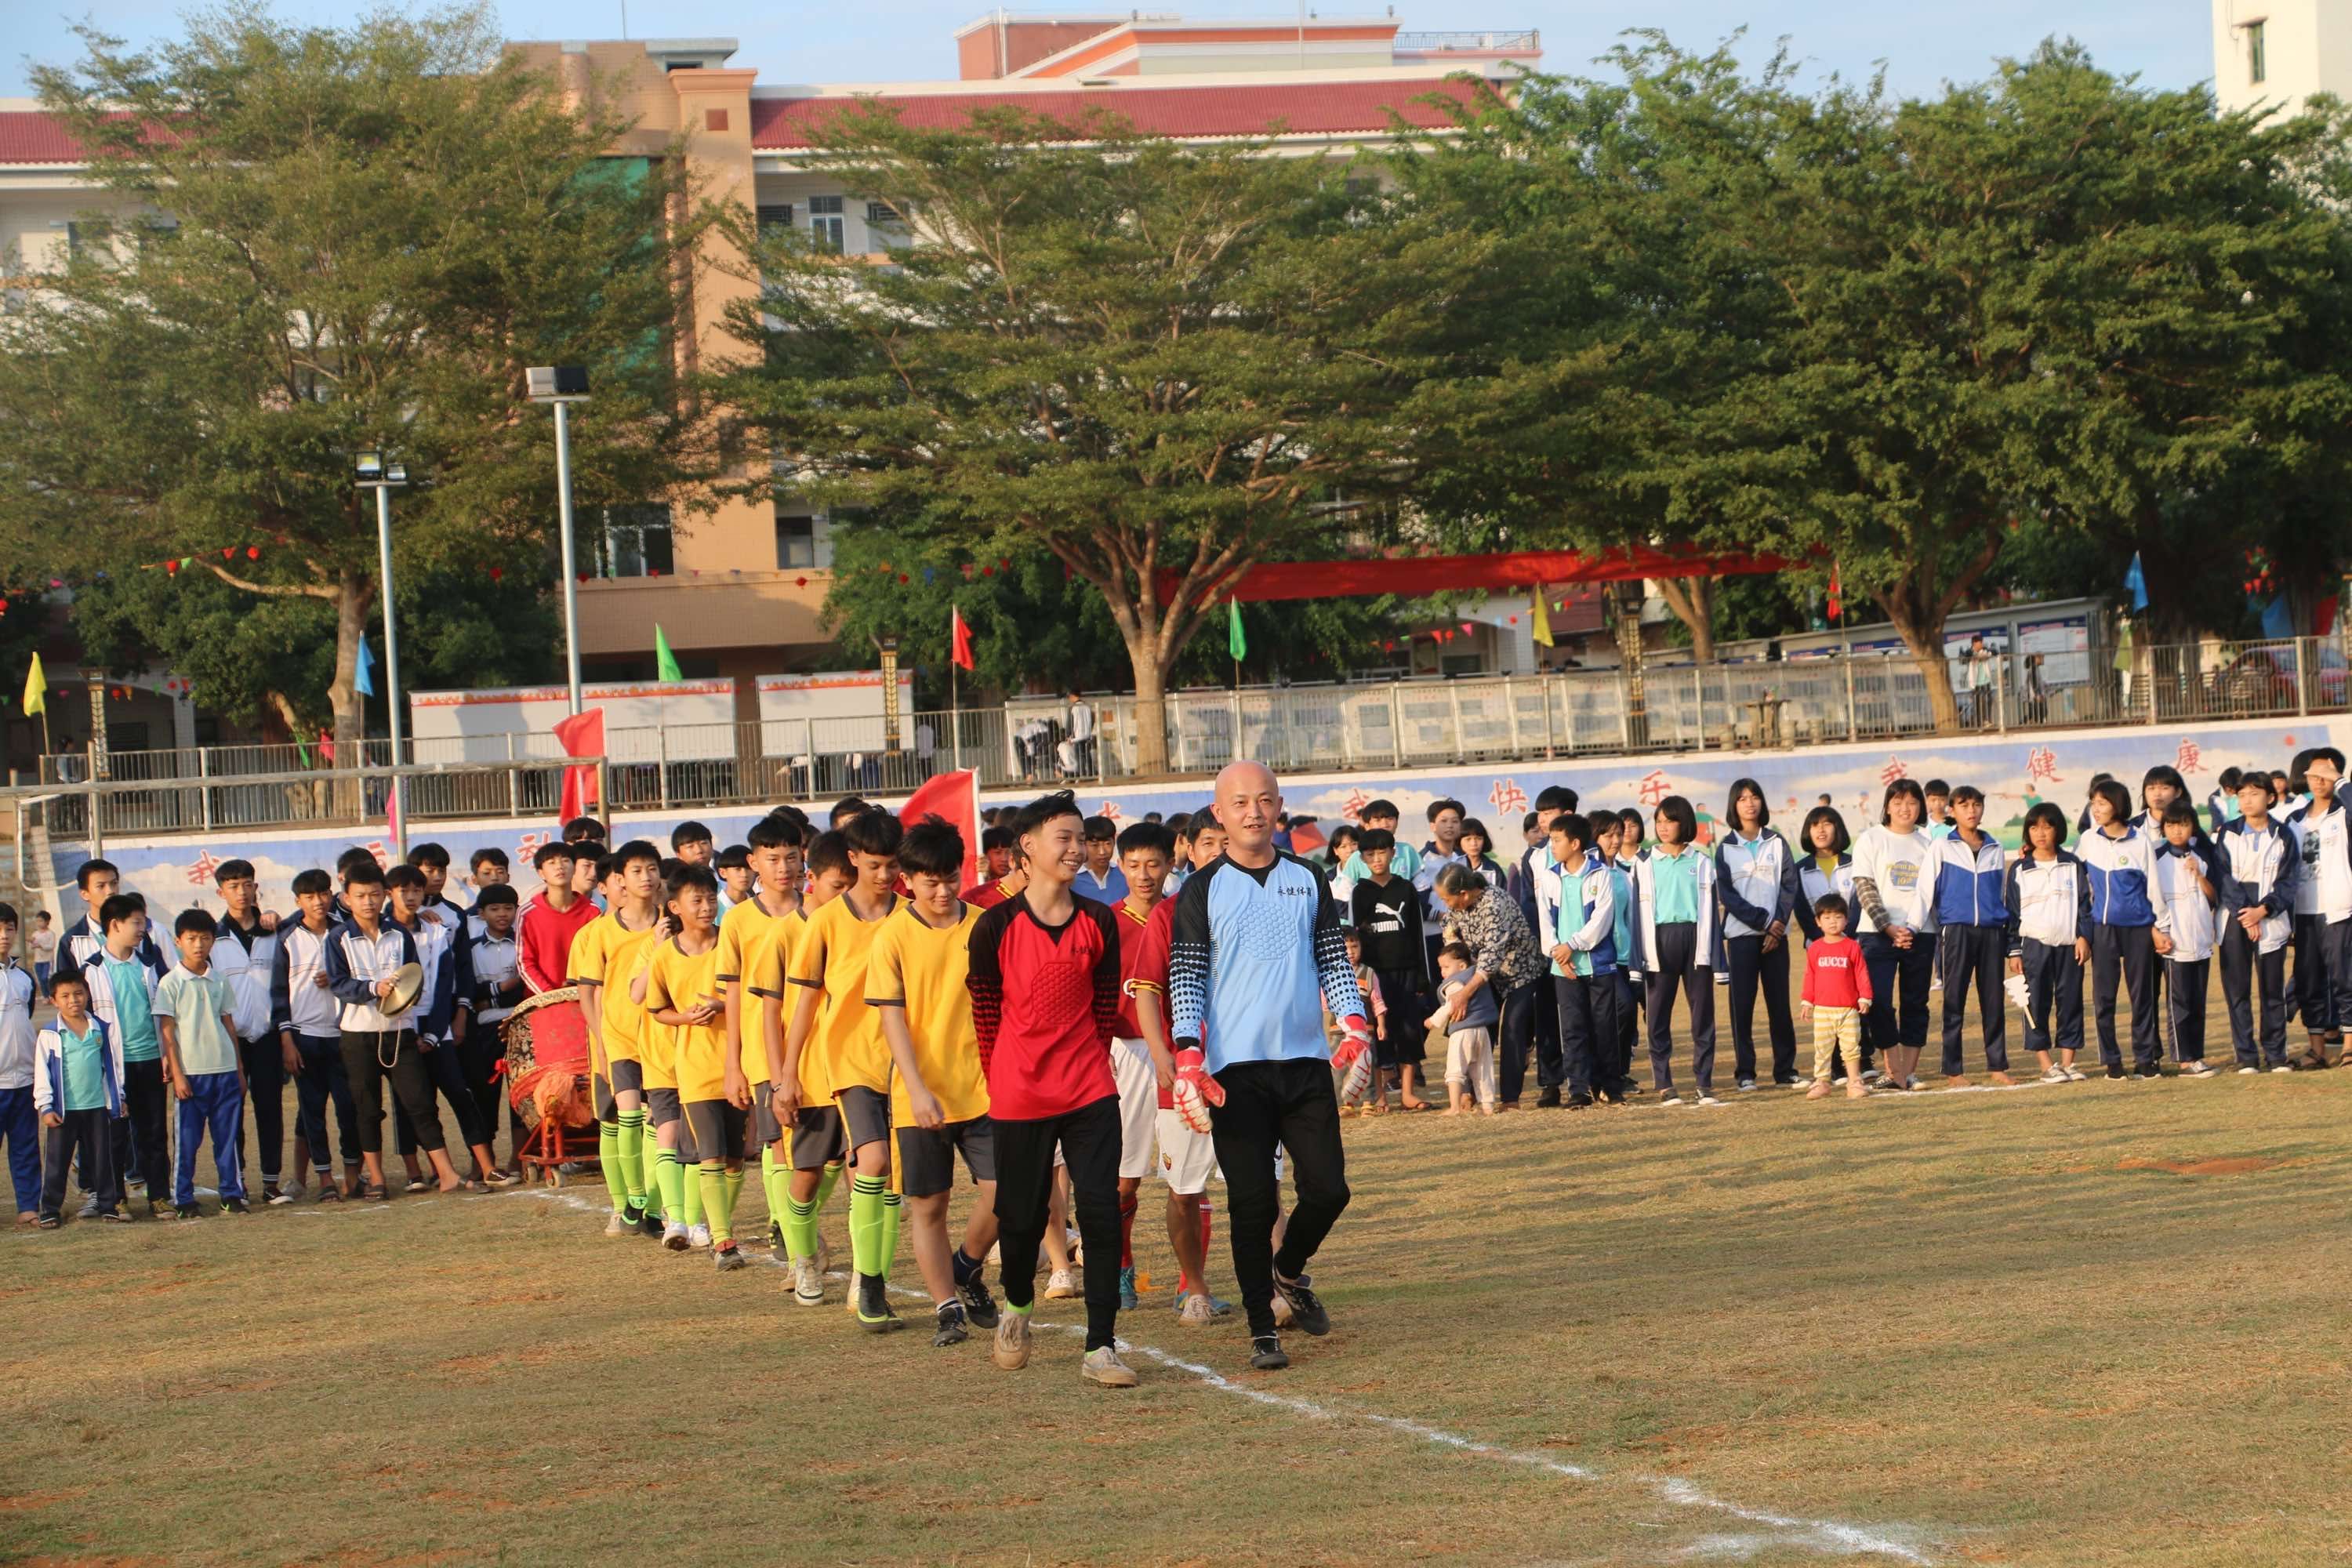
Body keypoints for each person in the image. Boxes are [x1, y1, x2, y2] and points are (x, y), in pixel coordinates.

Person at [1167, 761, 1370, 1374]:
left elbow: (1333, 960)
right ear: (1220, 813)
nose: (1253, 811)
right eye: (1240, 802)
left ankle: (1288, 1272)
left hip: (1306, 1061)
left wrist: (1355, 1022)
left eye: (1264, 800)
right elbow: (1187, 976)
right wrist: (1187, 1053)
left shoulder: (1308, 878)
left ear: (1279, 805)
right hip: (1235, 1073)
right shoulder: (1201, 890)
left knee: (1330, 1189)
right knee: (1251, 1204)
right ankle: (1262, 1329)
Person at [967, 791, 1134, 1385]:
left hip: (1090, 1088)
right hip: (1019, 1092)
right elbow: (986, 1014)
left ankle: (1101, 1345)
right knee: (1020, 1214)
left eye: (1080, 837)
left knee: (1100, 1210)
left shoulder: (1099, 921)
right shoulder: (994, 926)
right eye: (1062, 837)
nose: (1075, 848)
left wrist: (1084, 1062)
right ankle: (1017, 1307)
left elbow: (1104, 1005)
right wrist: (1012, 1076)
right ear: (1028, 848)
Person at [869, 816, 1000, 1345]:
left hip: (985, 1087)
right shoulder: (892, 936)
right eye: (930, 881)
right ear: (908, 878)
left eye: (950, 877)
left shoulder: (986, 924)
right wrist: (917, 1089)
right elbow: (892, 1019)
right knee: (929, 1205)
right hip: (919, 1095)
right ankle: (947, 1307)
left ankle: (967, 1265)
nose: (943, 890)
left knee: (1008, 1194)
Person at [779, 808, 905, 1330]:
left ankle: (867, 1279)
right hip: (851, 1061)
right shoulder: (827, 921)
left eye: (892, 865)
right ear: (853, 860)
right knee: (870, 1161)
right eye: (874, 865)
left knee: (893, 1177)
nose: (885, 875)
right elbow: (804, 1002)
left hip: (908, 1064)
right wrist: (786, 1074)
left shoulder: (912, 915)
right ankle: (856, 1277)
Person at [323, 859, 465, 1201]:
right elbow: (339, 984)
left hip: (399, 1031)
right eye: (360, 896)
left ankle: (447, 1173)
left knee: (419, 1102)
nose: (368, 902)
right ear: (347, 898)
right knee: (367, 1107)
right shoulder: (338, 937)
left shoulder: (399, 934)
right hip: (358, 1034)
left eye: (374, 894)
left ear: (384, 895)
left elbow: (413, 976)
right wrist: (374, 989)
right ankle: (377, 1178)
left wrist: (402, 996)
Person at [759, 830, 855, 1302]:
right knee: (807, 1174)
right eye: (838, 887)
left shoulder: (862, 926)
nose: (846, 897)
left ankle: (867, 1276)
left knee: (868, 1173)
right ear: (810, 879)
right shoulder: (783, 935)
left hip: (858, 1072)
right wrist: (782, 1080)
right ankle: (803, 1261)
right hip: (809, 1079)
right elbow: (769, 1014)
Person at [641, 862, 746, 1271]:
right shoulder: (666, 955)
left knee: (737, 1158)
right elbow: (657, 1009)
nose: (706, 907)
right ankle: (723, 1242)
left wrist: (724, 1005)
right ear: (675, 907)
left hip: (738, 1063)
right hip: (694, 1070)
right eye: (696, 900)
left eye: (709, 898)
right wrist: (684, 1018)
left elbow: (747, 996)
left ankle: (715, 1221)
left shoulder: (731, 943)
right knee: (710, 1156)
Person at [717, 811, 805, 1254]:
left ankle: (795, 1223)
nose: (783, 867)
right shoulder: (737, 921)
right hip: (761, 1051)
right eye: (773, 858)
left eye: (791, 857)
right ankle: (787, 1230)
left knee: (821, 1151)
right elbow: (732, 994)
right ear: (754, 862)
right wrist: (733, 1064)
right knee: (778, 1144)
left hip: (815, 1046)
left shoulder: (818, 914)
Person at [569, 840, 666, 1236]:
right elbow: (587, 993)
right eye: (636, 871)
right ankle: (624, 1203)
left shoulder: (670, 922)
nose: (645, 878)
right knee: (619, 1120)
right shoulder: (598, 933)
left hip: (661, 1040)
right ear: (619, 881)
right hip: (615, 1040)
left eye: (651, 869)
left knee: (658, 1125)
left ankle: (654, 1208)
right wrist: (602, 1041)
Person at [387, 866, 503, 1191]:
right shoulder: (385, 933)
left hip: (437, 1024)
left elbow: (442, 984)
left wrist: (437, 1032)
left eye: (416, 892)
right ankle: (420, 1172)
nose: (410, 898)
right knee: (411, 1101)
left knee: (460, 1093)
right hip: (399, 1026)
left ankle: (486, 1166)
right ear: (389, 893)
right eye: (403, 891)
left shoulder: (437, 929)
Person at [1102, 820, 1175, 1312]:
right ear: (1120, 866)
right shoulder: (1105, 922)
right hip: (1126, 1052)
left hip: (1184, 1053)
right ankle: (1121, 1268)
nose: (1144, 874)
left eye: (1154, 864)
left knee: (1187, 1176)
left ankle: (1193, 1283)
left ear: (1171, 864)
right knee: (1125, 1175)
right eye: (1134, 865)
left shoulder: (1187, 915)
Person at [155, 907, 248, 1218]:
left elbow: (229, 1026)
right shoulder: (171, 982)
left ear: (213, 942)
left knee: (228, 1138)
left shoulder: (220, 980)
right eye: (192, 938)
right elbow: (167, 1032)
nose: (199, 945)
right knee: (187, 1142)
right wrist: (178, 1075)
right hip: (192, 1075)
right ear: (178, 941)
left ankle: (231, 1195)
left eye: (205, 938)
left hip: (224, 1071)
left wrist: (239, 1069)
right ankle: (183, 1199)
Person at [273, 869, 360, 1201]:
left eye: (323, 893)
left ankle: (353, 1174)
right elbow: (279, 994)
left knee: (348, 1108)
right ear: (298, 902)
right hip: (304, 1035)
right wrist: (287, 1040)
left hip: (343, 1032)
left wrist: (336, 978)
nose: (319, 901)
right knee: (312, 1111)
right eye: (309, 897)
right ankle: (324, 1178)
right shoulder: (287, 938)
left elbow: (359, 977)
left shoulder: (345, 933)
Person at [80, 894, 169, 1218]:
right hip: (113, 1068)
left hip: (150, 1062)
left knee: (154, 1133)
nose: (143, 928)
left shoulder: (150, 965)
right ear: (114, 925)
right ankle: (115, 1199)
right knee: (115, 1135)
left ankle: (159, 1197)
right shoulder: (91, 971)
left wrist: (167, 1055)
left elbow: (164, 1014)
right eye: (137, 922)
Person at [1429, 862, 1544, 1109]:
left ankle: (1510, 1098)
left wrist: (1465, 993)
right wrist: (1457, 970)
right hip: (1481, 973)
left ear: (1464, 893)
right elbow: (1449, 931)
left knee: (1513, 1028)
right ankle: (1470, 1092)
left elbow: (1491, 957)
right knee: (1476, 1026)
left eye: (1447, 899)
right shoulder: (1458, 906)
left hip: (1519, 972)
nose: (1445, 904)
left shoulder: (1494, 904)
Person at [209, 859, 289, 1203]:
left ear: (256, 887)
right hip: (231, 1038)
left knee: (270, 1108)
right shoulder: (213, 937)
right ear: (220, 892)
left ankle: (271, 1183)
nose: (241, 892)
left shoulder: (274, 931)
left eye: (246, 884)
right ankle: (236, 1182)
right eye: (233, 886)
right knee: (232, 1111)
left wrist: (275, 916)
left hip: (268, 1035)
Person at [1715, 778, 1801, 1090]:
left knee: (1779, 1003)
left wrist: (1777, 925)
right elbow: (1729, 895)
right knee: (1742, 1005)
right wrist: (1764, 922)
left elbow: (1789, 886)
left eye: (1754, 797)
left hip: (1777, 937)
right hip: (1741, 937)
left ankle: (1785, 1069)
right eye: (1742, 799)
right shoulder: (1725, 848)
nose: (1749, 803)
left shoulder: (1776, 842)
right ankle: (1745, 1072)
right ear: (1733, 805)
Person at [2080, 777, 2169, 1080]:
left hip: (2138, 930)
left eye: (2102, 803)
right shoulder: (2089, 840)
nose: (2096, 809)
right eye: (2093, 803)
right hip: (2103, 928)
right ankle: (2112, 1061)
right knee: (2104, 997)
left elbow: (2154, 887)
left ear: (2117, 806)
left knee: (2142, 996)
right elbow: (2078, 879)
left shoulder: (2140, 840)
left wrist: (2160, 926)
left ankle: (2145, 1058)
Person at [1851, 780, 1936, 1092]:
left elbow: (1930, 893)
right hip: (1876, 934)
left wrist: (1911, 928)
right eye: (1898, 801)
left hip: (1921, 933)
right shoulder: (1870, 839)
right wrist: (1888, 927)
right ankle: (1893, 1068)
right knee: (1879, 1002)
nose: (1905, 808)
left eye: (1913, 802)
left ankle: (1907, 1073)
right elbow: (1865, 888)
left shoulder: (1929, 845)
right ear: (1887, 806)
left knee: (1916, 1003)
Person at [1635, 795, 1719, 1107]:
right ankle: (1664, 1083)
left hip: (1695, 939)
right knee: (1657, 1015)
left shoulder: (1700, 862)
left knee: (1702, 1014)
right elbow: (1636, 912)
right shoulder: (1644, 863)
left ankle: (1704, 1082)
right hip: (1659, 940)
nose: (1663, 827)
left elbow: (1710, 911)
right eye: (1658, 821)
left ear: (1684, 823)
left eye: (1670, 821)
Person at [1927, 786, 2013, 1086]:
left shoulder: (1995, 847)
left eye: (1977, 805)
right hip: (1956, 931)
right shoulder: (1942, 846)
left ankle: (1997, 1065)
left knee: (1993, 1001)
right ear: (1952, 811)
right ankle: (1954, 1070)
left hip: (1992, 932)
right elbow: (1926, 891)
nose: (1972, 810)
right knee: (1954, 1001)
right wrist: (1912, 928)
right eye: (1964, 805)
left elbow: (2000, 892)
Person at [2216, 768, 2297, 1073]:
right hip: (2235, 918)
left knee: (2272, 990)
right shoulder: (2228, 832)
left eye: (2254, 794)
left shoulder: (2283, 834)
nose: (2247, 801)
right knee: (2237, 990)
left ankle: (2276, 1054)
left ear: (2270, 797)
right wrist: (2245, 915)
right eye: (2242, 795)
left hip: (2270, 918)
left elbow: (2289, 881)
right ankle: (2246, 1056)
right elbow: (2223, 875)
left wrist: (2263, 911)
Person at [34, 968, 125, 1227]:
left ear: (87, 995)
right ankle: (50, 1209)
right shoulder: (50, 1034)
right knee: (57, 1162)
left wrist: (118, 1098)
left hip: (97, 1107)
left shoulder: (100, 1029)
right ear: (54, 1000)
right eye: (65, 996)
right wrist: (45, 1106)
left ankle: (108, 1205)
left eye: (78, 993)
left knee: (101, 1159)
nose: (73, 1000)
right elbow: (42, 1073)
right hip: (64, 1111)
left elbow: (112, 1066)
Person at [1350, 828, 1432, 1112]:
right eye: (1370, 854)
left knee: (1409, 1033)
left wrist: (1423, 975)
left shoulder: (1405, 888)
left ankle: (1408, 1093)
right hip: (1375, 978)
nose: (1377, 859)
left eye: (1382, 852)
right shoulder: (1360, 892)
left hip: (1406, 973)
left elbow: (1417, 934)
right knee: (1377, 1036)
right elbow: (1354, 937)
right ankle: (1379, 1095)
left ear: (1393, 853)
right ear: (1361, 858)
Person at [1544, 813, 1620, 1109]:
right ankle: (1579, 1089)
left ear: (1575, 843)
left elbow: (1602, 918)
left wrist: (1572, 945)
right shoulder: (1550, 876)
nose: (1553, 846)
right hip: (1564, 967)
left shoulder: (1600, 874)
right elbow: (1545, 920)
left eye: (1557, 840)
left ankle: (1610, 1086)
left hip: (1597, 963)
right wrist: (1557, 953)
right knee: (1573, 1029)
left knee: (1604, 1027)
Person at [2282, 747, 2351, 1069]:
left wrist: (2341, 783)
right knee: (2308, 980)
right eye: (2315, 772)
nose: (2320, 778)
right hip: (2304, 912)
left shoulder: (2343, 814)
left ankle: (2349, 1045)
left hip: (2339, 909)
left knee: (2344, 978)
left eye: (2328, 772)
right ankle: (2317, 1049)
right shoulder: (2294, 820)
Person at [2154, 801, 2222, 1076]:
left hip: (2201, 941)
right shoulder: (2157, 858)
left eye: (2182, 824)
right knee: (2179, 1003)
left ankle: (2197, 1055)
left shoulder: (2202, 856)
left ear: (2192, 827)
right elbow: (2152, 899)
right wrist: (2159, 932)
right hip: (2175, 943)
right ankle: (2184, 1059)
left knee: (2197, 1002)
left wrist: (2200, 874)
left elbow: (2213, 896)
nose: (2177, 831)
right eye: (2171, 825)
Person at [465, 883, 526, 1172]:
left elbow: (523, 987)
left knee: (521, 1094)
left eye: (508, 908)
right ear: (482, 914)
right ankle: (482, 1163)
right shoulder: (472, 948)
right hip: (484, 1031)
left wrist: (491, 993)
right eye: (495, 909)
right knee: (483, 1096)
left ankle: (520, 1158)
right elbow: (469, 990)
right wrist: (503, 986)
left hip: (520, 1025)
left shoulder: (524, 944)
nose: (502, 914)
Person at [1798, 893, 1871, 1100]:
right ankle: (1822, 1081)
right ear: (1818, 922)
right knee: (1822, 1048)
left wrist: (1865, 997)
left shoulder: (1852, 947)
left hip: (1848, 1009)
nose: (1833, 922)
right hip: (1822, 1010)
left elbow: (1861, 973)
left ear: (1846, 920)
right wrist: (1807, 1001)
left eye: (1838, 917)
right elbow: (1809, 976)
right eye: (1827, 917)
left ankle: (1854, 1081)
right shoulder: (1815, 949)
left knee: (1851, 1048)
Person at [1427, 942, 1498, 1115]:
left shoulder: (1455, 983)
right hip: (1482, 1029)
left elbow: (1450, 1005)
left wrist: (1434, 1021)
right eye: (1441, 967)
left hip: (1462, 1031)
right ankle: (1488, 1105)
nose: (1442, 972)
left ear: (1462, 965)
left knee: (1455, 1068)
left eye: (1446, 967)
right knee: (1483, 1069)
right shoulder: (1476, 977)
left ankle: (1454, 1107)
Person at [516, 842, 596, 995]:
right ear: (541, 873)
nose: (559, 867)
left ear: (574, 868)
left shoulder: (592, 912)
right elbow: (525, 962)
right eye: (551, 863)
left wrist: (579, 989)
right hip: (542, 1000)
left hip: (584, 997)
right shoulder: (527, 913)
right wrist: (549, 994)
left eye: (565, 861)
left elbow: (596, 959)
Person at [0, 906, 36, 1224]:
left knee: (25, 1148)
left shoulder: (24, 978)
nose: (4, 935)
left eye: (9, 928)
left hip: (24, 1080)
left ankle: (29, 1208)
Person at [1075, 815, 1127, 903]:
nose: (1102, 852)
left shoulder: (1125, 874)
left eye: (1107, 844)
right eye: (1095, 845)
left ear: (1114, 842)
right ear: (1083, 844)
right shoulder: (1072, 879)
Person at [1456, 818, 1508, 892]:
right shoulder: (1453, 867)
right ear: (1459, 841)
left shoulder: (1494, 869)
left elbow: (1502, 896)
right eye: (1468, 839)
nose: (1474, 844)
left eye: (1478, 839)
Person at [1066, 690, 1098, 778]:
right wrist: (1089, 730)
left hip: (1077, 736)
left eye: (1069, 697)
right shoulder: (1087, 706)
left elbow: (1070, 723)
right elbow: (1093, 718)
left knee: (1079, 756)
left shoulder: (1073, 708)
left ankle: (1082, 774)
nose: (1069, 700)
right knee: (1087, 755)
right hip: (1087, 735)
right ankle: (1091, 773)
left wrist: (1068, 736)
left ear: (1072, 696)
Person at [713, 844, 752, 916]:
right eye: (738, 869)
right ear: (723, 873)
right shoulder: (712, 909)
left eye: (749, 868)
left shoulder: (760, 907)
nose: (744, 874)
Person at [30, 910, 55, 993]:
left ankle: (51, 994)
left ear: (47, 921)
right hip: (38, 960)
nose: (38, 923)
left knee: (46, 978)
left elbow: (51, 946)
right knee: (40, 979)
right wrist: (32, 942)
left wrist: (41, 946)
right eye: (37, 921)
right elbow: (31, 947)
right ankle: (45, 996)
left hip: (47, 960)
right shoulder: (35, 934)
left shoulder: (50, 933)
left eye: (40, 921)